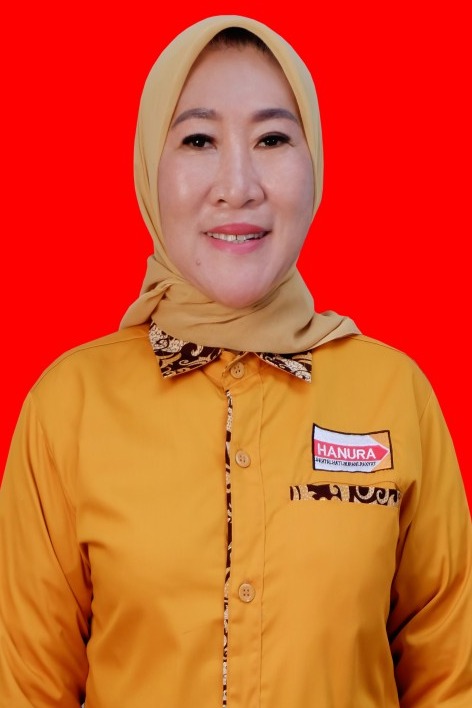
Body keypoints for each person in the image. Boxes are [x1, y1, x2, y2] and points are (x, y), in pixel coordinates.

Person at [0, 13, 471, 708]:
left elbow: (450, 682)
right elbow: (28, 689)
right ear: (149, 167)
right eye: (199, 140)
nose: (238, 184)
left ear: (314, 163)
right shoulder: (69, 407)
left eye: (272, 139)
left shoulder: (394, 395)